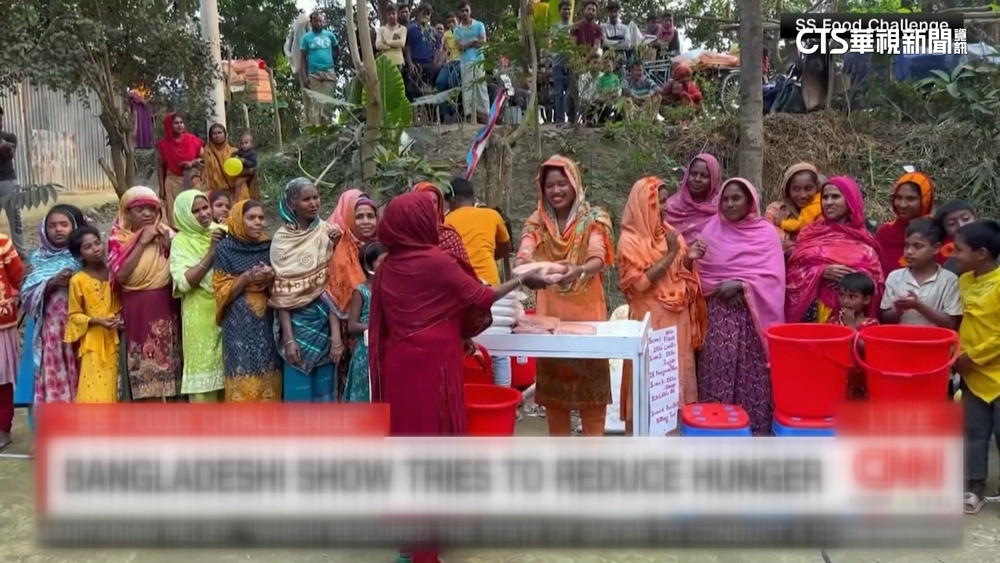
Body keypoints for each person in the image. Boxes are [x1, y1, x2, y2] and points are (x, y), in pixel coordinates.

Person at [369, 192, 550, 563]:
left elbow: (382, 323)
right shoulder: (437, 261)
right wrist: (522, 281)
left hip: (398, 364)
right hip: (435, 363)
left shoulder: (386, 265)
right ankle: (426, 547)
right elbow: (481, 298)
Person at [514, 156, 615, 437]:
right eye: (550, 185)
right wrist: (524, 269)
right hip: (551, 320)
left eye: (562, 184)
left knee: (592, 392)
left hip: (589, 318)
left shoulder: (595, 218)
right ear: (542, 189)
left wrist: (579, 270)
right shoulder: (536, 223)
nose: (556, 191)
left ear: (574, 184)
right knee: (554, 393)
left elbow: (598, 256)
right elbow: (524, 253)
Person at [695, 178, 785, 436]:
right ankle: (714, 430)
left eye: (736, 198)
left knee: (752, 375)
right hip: (717, 317)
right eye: (725, 199)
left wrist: (742, 285)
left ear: (750, 201)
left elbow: (775, 276)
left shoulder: (765, 233)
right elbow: (699, 274)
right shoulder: (711, 230)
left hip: (753, 321)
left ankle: (755, 433)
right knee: (716, 370)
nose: (730, 203)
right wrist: (720, 288)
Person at [617, 177, 706, 435]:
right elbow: (641, 285)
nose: (666, 207)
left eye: (667, 201)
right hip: (650, 322)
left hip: (677, 322)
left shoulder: (669, 234)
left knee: (672, 387)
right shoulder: (630, 242)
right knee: (648, 385)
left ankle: (671, 445)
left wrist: (689, 260)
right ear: (643, 205)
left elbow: (683, 279)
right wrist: (668, 255)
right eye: (660, 202)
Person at [270, 178, 343, 402]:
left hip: (326, 325)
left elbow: (334, 288)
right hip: (296, 328)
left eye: (316, 197)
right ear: (291, 204)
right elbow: (282, 294)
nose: (313, 203)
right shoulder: (281, 241)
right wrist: (289, 339)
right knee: (299, 398)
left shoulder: (330, 234)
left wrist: (337, 338)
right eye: (306, 199)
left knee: (326, 396)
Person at [109, 186, 183, 402]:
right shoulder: (118, 239)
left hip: (167, 307)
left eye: (152, 209)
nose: (148, 214)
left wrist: (171, 247)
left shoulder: (168, 235)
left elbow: (179, 270)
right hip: (137, 311)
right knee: (142, 371)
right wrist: (141, 242)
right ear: (126, 212)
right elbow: (121, 276)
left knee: (172, 368)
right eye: (140, 209)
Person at [785, 176, 885, 324]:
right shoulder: (810, 233)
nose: (829, 202)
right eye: (825, 197)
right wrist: (820, 272)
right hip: (812, 314)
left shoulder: (863, 239)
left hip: (851, 319)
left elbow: (877, 283)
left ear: (850, 200)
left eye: (836, 197)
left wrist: (855, 279)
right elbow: (792, 272)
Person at [950, 220, 1000, 514]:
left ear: (981, 253)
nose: (954, 255)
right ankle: (975, 485)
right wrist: (960, 356)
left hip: (993, 371)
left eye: (959, 250)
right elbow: (964, 322)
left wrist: (974, 356)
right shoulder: (965, 280)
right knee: (973, 432)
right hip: (970, 374)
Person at [444, 177, 513, 386]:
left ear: (452, 200)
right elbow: (505, 248)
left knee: (463, 342)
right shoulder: (492, 215)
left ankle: (465, 397)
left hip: (459, 288)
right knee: (500, 349)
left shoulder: (445, 221)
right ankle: (503, 397)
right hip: (492, 286)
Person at [213, 200, 282, 402]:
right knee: (241, 374)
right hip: (237, 324)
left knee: (269, 371)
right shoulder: (225, 249)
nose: (258, 222)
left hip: (266, 323)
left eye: (261, 218)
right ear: (238, 219)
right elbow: (221, 291)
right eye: (251, 218)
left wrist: (271, 278)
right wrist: (245, 277)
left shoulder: (269, 247)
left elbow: (278, 291)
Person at [20, 204, 87, 409]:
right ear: (44, 229)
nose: (58, 229)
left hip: (84, 327)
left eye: (64, 225)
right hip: (52, 332)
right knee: (55, 375)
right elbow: (27, 296)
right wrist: (50, 284)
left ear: (74, 227)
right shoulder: (38, 259)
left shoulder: (84, 255)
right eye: (52, 225)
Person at [170, 190, 226, 402]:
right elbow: (184, 282)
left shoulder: (222, 231)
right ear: (185, 215)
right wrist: (212, 252)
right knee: (204, 379)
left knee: (229, 376)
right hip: (199, 316)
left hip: (226, 311)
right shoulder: (181, 242)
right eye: (195, 211)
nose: (203, 214)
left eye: (205, 208)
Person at [326, 189, 379, 397]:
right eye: (359, 216)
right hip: (349, 330)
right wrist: (337, 340)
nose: (366, 221)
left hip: (379, 332)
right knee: (350, 385)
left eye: (370, 216)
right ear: (349, 217)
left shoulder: (382, 248)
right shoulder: (340, 251)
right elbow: (333, 298)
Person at [65, 226, 121, 404]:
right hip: (94, 343)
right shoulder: (78, 280)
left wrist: (121, 318)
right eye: (87, 247)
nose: (96, 249)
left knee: (118, 389)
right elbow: (74, 315)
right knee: (96, 391)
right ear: (79, 255)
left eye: (97, 243)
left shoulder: (115, 271)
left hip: (119, 336)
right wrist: (97, 321)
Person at [880, 219, 962, 329]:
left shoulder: (949, 280)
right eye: (906, 245)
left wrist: (918, 305)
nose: (909, 251)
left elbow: (951, 324)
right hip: (901, 342)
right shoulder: (895, 277)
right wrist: (898, 310)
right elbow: (885, 319)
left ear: (936, 248)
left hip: (933, 344)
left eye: (917, 246)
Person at [345, 242, 387, 403]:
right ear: (368, 265)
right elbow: (352, 325)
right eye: (382, 262)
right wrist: (376, 327)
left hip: (384, 348)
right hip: (366, 350)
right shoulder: (361, 292)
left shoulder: (388, 288)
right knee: (364, 390)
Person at [875, 171, 936, 274]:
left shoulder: (936, 232)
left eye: (911, 199)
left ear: (925, 199)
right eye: (898, 197)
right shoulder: (885, 232)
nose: (902, 205)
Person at [156, 113, 204, 228]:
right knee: (174, 211)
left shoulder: (193, 140)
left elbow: (205, 158)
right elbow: (160, 166)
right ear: (169, 125)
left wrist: (192, 163)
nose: (179, 126)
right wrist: (162, 188)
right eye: (176, 123)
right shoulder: (163, 145)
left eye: (181, 122)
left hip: (192, 179)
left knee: (193, 207)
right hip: (172, 182)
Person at [0, 230, 24, 450]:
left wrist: (17, 296)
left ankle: (3, 428)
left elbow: (19, 277)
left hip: (1, 324)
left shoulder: (2, 241)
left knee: (2, 378)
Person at [663, 153, 721, 242]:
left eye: (704, 176)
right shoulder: (670, 206)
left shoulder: (721, 210)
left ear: (713, 179)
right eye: (693, 174)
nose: (697, 179)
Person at [764, 162, 822, 254]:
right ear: (788, 190)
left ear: (817, 188)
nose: (803, 195)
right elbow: (770, 237)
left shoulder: (824, 209)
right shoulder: (775, 211)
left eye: (808, 188)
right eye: (796, 189)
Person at [413, 182, 471, 263]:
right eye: (425, 200)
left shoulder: (449, 237)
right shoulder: (404, 237)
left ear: (439, 205)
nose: (430, 205)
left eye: (434, 201)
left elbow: (464, 272)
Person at [300, 11, 340, 125]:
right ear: (311, 22)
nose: (319, 23)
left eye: (321, 21)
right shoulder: (306, 38)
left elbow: (337, 49)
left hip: (329, 72)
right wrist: (304, 76)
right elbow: (302, 58)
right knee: (316, 104)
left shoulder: (330, 35)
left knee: (328, 102)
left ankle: (328, 130)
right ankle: (317, 132)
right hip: (313, 73)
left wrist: (332, 61)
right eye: (317, 21)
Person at [453, 2, 489, 124]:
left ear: (470, 11)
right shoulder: (457, 29)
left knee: (481, 87)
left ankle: (484, 115)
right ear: (459, 13)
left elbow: (483, 41)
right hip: (465, 61)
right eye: (462, 11)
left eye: (466, 10)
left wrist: (468, 43)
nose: (464, 13)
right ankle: (469, 115)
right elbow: (459, 46)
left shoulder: (479, 25)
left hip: (479, 59)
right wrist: (473, 40)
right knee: (467, 87)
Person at [0, 106, 25, 258]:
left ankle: (21, 253)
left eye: (0, 118)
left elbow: (9, 155)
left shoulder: (9, 137)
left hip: (8, 181)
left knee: (15, 219)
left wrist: (6, 148)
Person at [404, 3, 440, 101]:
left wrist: (435, 62)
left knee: (429, 91)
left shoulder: (434, 32)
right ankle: (416, 115)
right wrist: (410, 63)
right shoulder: (411, 29)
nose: (425, 16)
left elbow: (437, 48)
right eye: (423, 13)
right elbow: (407, 47)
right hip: (415, 64)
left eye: (428, 14)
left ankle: (429, 115)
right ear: (419, 14)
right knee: (412, 91)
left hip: (429, 64)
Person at [933, 199, 978, 274]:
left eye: (966, 219)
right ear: (944, 229)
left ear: (976, 219)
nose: (961, 225)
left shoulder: (992, 238)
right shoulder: (941, 252)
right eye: (952, 223)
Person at [549, 0, 574, 125]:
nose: (567, 11)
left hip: (571, 63)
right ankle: (559, 119)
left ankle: (571, 119)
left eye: (569, 9)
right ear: (560, 11)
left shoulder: (574, 26)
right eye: (564, 9)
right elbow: (553, 44)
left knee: (571, 92)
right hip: (558, 63)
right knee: (558, 92)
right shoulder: (554, 27)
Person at [201, 123, 240, 199]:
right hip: (213, 193)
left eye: (219, 133)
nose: (217, 135)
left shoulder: (234, 152)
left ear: (225, 134)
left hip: (231, 192)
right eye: (214, 133)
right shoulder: (206, 152)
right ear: (210, 136)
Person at [601, 2, 634, 67]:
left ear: (619, 13)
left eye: (615, 12)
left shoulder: (625, 28)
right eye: (611, 12)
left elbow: (627, 45)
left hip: (622, 61)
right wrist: (620, 41)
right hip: (607, 61)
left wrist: (610, 44)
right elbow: (604, 43)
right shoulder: (603, 27)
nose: (613, 14)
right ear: (608, 13)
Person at [376, 4, 407, 69]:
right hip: (386, 63)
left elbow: (401, 43)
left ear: (397, 14)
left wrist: (386, 41)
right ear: (386, 15)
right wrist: (391, 46)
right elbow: (378, 45)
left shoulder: (402, 29)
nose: (391, 16)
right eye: (389, 14)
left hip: (399, 62)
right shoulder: (382, 29)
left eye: (393, 13)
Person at [232, 131, 260, 201]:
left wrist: (244, 161)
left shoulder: (252, 153)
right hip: (240, 172)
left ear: (251, 144)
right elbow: (234, 155)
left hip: (247, 173)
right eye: (242, 143)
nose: (244, 145)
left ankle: (235, 199)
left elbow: (254, 163)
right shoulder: (240, 152)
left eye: (246, 143)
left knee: (237, 183)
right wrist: (233, 157)